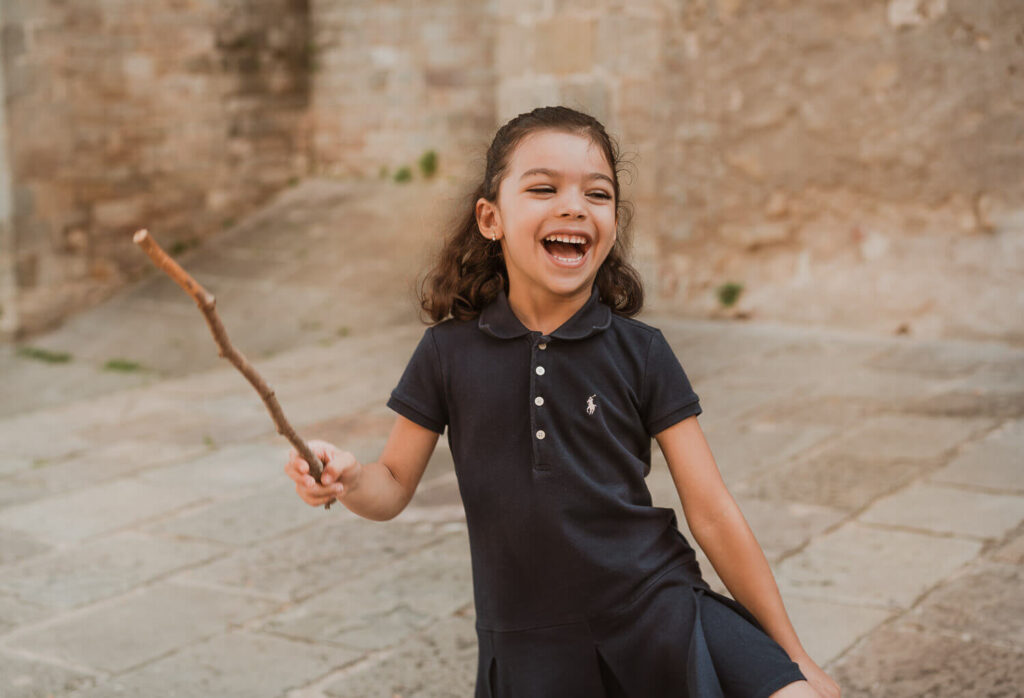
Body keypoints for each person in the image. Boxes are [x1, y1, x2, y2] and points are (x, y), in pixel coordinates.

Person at [284, 106, 841, 698]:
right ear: (490, 219)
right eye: (544, 188)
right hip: (530, 647)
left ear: (612, 222)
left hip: (659, 609)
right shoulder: (445, 353)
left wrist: (793, 652)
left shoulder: (643, 352)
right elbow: (391, 484)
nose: (574, 206)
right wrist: (343, 479)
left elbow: (712, 511)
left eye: (596, 194)